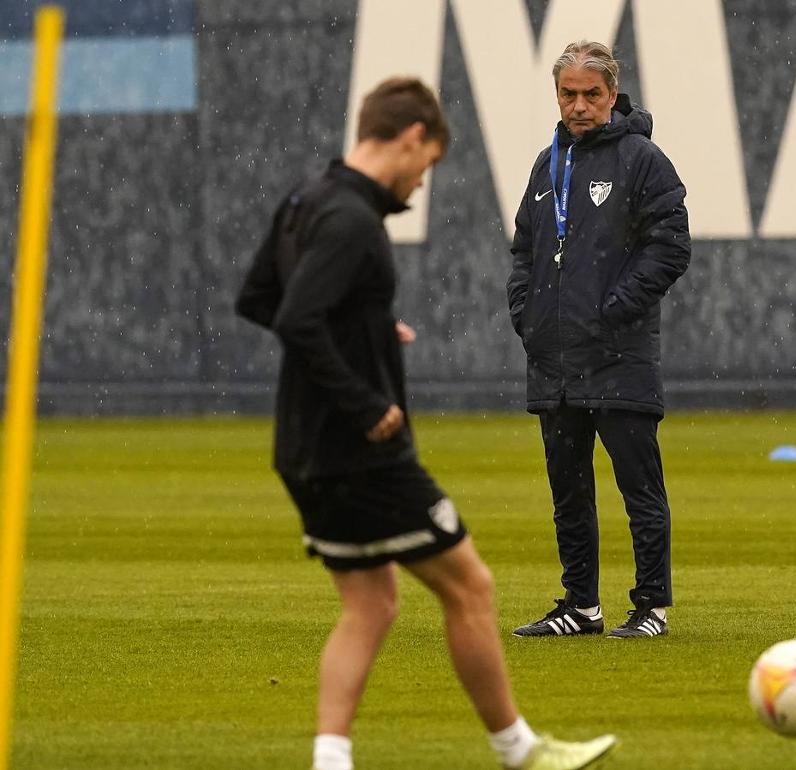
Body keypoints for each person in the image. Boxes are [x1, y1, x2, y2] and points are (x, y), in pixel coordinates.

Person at [236, 76, 616, 770]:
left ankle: (330, 759)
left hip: (301, 452)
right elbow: (295, 317)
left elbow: (258, 296)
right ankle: (520, 751)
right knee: (470, 587)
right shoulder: (353, 221)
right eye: (427, 164)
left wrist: (369, 328)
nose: (419, 184)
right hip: (361, 452)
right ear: (410, 139)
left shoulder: (305, 201)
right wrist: (366, 401)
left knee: (372, 604)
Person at [507, 42, 692, 640]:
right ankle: (580, 606)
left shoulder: (642, 160)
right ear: (556, 96)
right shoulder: (547, 164)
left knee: (639, 488)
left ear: (612, 95)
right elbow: (524, 252)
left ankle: (652, 607)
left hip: (618, 357)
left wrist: (614, 310)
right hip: (555, 357)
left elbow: (670, 246)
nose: (579, 106)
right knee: (568, 492)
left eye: (591, 94)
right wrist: (528, 314)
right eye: (568, 94)